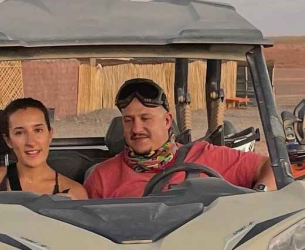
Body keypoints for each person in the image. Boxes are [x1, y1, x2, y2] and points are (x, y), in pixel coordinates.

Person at [84, 78, 274, 199]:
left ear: (167, 121)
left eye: (145, 118)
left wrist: (260, 196)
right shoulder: (102, 177)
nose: (136, 128)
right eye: (128, 120)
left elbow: (272, 166)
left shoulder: (205, 155)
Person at [0, 97, 88, 199]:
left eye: (38, 130)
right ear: (8, 141)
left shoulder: (74, 193)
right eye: (19, 133)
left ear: (50, 134)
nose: (31, 142)